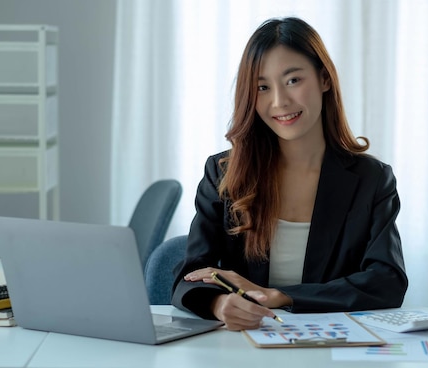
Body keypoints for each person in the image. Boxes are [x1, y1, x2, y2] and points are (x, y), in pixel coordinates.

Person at [171, 17, 407, 331]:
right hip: (242, 346)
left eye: (293, 80)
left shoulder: (372, 179)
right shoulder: (224, 173)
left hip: (333, 346)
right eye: (263, 87)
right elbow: (191, 275)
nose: (280, 101)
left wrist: (281, 296)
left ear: (324, 79)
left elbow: (386, 282)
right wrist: (219, 304)